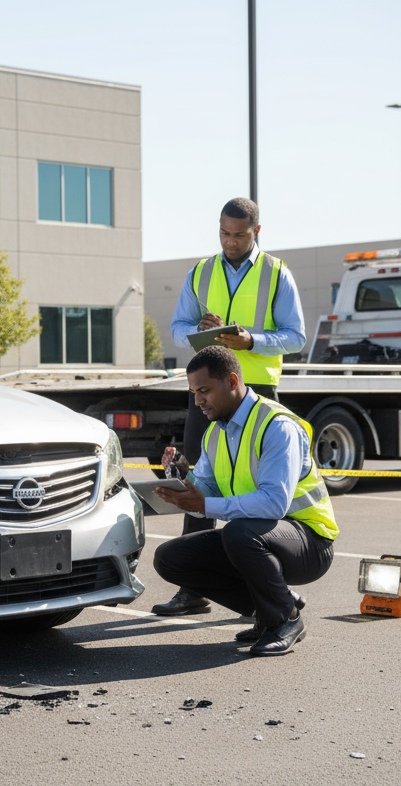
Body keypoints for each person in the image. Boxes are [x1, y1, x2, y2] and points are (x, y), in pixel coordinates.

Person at [153, 196, 308, 616]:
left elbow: (296, 337)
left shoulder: (277, 274)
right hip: (208, 389)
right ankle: (192, 590)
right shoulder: (201, 272)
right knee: (198, 484)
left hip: (255, 389)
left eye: (238, 235)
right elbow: (178, 328)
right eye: (224, 233)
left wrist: (251, 340)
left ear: (256, 232)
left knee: (262, 492)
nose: (230, 241)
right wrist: (200, 333)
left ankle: (272, 588)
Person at [152, 346, 338, 656]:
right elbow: (205, 487)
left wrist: (204, 506)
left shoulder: (277, 426)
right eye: (194, 392)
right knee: (170, 558)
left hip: (310, 541)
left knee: (238, 533)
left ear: (233, 381)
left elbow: (274, 504)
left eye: (204, 391)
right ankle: (268, 611)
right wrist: (178, 484)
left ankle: (284, 620)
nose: (197, 401)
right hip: (259, 536)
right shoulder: (214, 433)